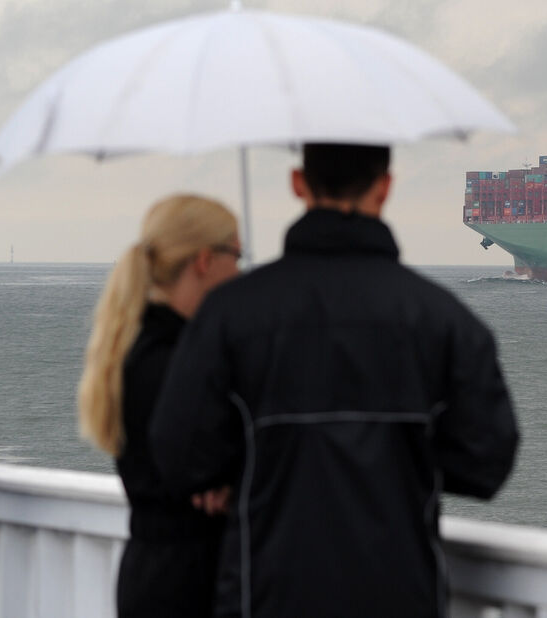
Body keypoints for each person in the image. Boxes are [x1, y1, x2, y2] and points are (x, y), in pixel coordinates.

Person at [149, 143, 519, 618]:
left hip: (264, 597)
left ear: (298, 183)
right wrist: (403, 453)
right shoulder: (446, 321)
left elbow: (178, 456)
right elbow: (487, 464)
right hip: (401, 599)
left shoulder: (229, 314)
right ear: (385, 188)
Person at [77, 193, 242, 617]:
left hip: (151, 573)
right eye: (236, 256)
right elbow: (209, 463)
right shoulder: (175, 363)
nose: (239, 271)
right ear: (204, 261)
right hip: (191, 580)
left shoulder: (133, 347)